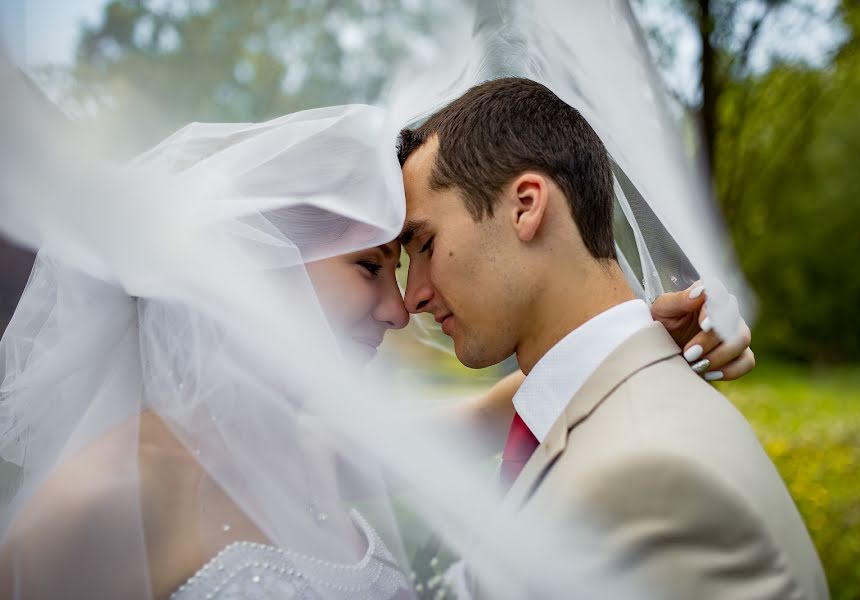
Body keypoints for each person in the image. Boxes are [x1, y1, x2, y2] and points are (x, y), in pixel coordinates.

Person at [0, 96, 752, 599]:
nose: (400, 309)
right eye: (369, 267)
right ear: (247, 264)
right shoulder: (95, 503)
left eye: (404, 262)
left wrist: (651, 330)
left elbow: (515, 402)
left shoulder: (307, 447)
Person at [397, 77, 827, 599]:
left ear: (526, 206)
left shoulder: (649, 476)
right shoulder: (587, 397)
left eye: (424, 243)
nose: (412, 296)